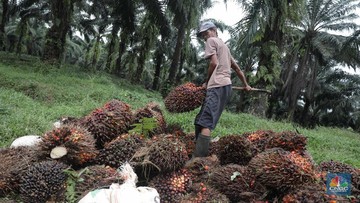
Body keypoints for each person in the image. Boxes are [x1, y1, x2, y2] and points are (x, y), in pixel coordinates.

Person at [193, 21, 252, 157]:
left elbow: (214, 63)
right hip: (226, 87)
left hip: (216, 85)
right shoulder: (225, 47)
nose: (205, 37)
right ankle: (198, 148)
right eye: (203, 36)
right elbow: (237, 68)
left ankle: (198, 160)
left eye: (206, 33)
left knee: (206, 122)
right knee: (200, 120)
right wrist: (246, 85)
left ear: (214, 30)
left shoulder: (211, 41)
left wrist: (207, 82)